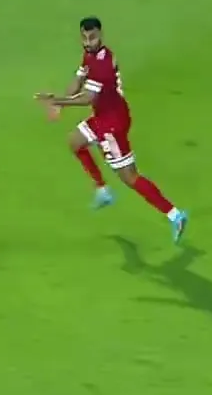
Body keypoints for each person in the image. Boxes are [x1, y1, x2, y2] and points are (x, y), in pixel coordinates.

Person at [35, 16, 189, 243]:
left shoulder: (103, 64)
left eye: (92, 37)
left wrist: (57, 101)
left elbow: (88, 98)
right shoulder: (90, 55)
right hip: (103, 117)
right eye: (84, 37)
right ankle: (103, 190)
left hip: (113, 124)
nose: (88, 41)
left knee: (130, 177)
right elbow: (77, 82)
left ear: (101, 35)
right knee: (75, 141)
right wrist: (60, 103)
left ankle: (175, 215)